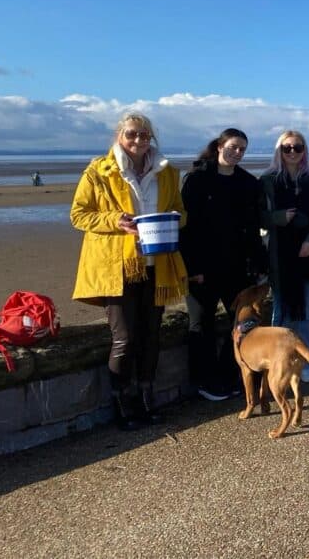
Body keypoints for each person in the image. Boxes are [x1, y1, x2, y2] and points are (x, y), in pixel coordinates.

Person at [70, 112, 188, 430]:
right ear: (119, 136)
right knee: (125, 337)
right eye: (132, 134)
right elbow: (79, 214)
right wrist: (114, 221)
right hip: (116, 266)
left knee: (151, 335)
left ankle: (147, 397)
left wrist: (174, 220)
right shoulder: (99, 171)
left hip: (157, 263)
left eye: (144, 135)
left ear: (152, 139)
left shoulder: (167, 172)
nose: (138, 140)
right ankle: (123, 402)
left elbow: (181, 211)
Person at [180, 128, 267, 400]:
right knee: (201, 325)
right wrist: (192, 269)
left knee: (241, 325)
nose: (237, 152)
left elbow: (253, 231)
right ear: (220, 146)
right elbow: (185, 229)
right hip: (201, 270)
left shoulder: (248, 183)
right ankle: (205, 382)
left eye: (242, 149)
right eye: (233, 146)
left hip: (237, 268)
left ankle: (231, 377)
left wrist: (259, 266)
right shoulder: (196, 179)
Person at [260, 131, 309, 382]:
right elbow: (258, 216)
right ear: (278, 150)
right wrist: (280, 217)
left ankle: (305, 363)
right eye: (286, 148)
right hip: (279, 257)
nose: (292, 152)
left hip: (308, 256)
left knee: (305, 311)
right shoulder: (267, 180)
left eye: (297, 147)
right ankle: (278, 365)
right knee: (280, 312)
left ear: (305, 150)